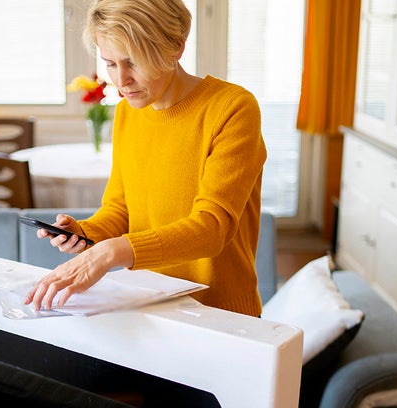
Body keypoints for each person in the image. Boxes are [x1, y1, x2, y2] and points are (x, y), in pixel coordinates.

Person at [25, 0, 267, 317]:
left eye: (134, 62)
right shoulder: (127, 112)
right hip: (146, 305)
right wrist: (86, 234)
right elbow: (121, 209)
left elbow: (212, 229)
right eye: (110, 63)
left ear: (176, 47)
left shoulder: (232, 108)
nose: (120, 80)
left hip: (219, 313)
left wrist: (110, 253)